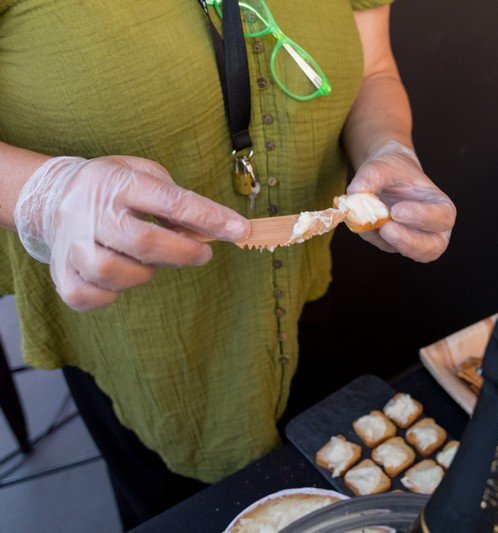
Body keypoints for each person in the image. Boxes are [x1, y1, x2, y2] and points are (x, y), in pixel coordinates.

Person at [0, 0, 456, 529]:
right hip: (136, 332)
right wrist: (46, 193)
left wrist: (389, 148)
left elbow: (374, 68)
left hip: (307, 291)